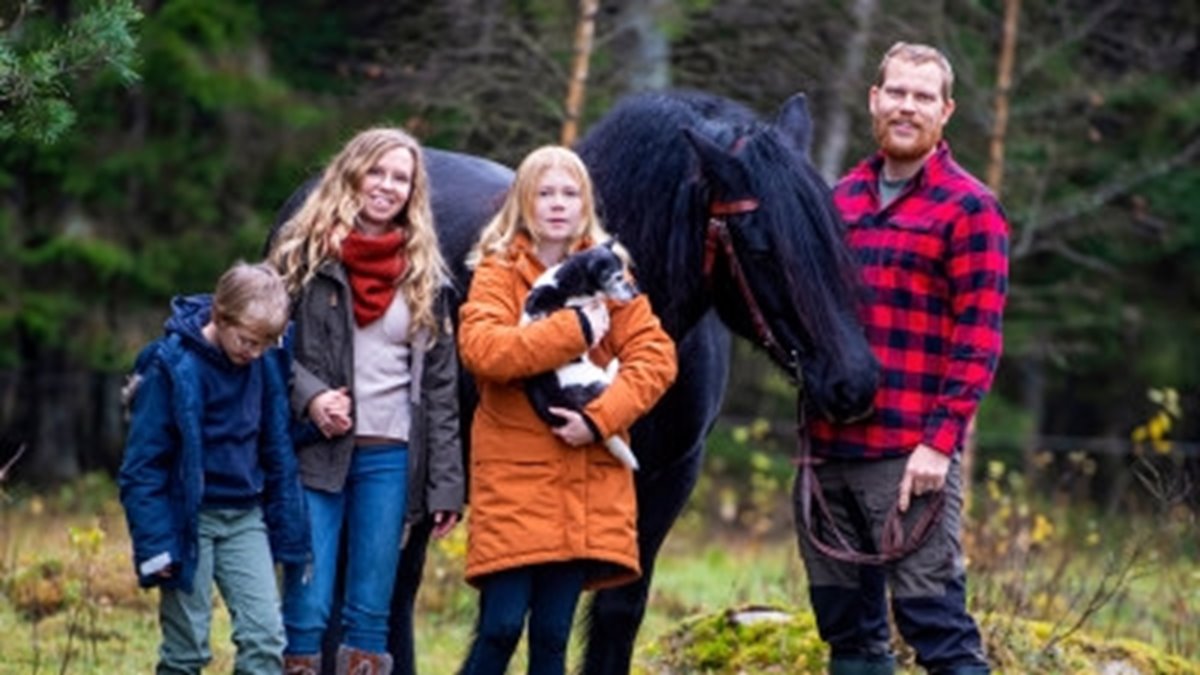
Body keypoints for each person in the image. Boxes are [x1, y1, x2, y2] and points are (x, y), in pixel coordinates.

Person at [795, 42, 1008, 675]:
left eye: (923, 97)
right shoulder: (839, 201)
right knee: (848, 634)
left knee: (936, 627)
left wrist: (939, 446)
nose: (907, 107)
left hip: (908, 460)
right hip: (826, 453)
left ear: (946, 111)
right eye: (897, 93)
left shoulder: (971, 209)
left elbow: (979, 339)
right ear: (874, 100)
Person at [455, 145, 676, 675]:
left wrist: (600, 419)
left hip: (586, 480)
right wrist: (572, 330)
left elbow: (657, 356)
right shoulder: (499, 271)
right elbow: (484, 351)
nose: (557, 204)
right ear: (523, 204)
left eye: (569, 193)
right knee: (501, 627)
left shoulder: (608, 273)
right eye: (544, 193)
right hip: (516, 480)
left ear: (586, 204)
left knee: (553, 636)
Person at [269, 127, 464, 675]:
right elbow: (263, 349)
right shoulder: (301, 255)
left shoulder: (425, 273)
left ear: (413, 191)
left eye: (400, 177)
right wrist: (309, 399)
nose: (386, 186)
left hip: (391, 458)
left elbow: (441, 392)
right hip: (318, 454)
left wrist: (446, 484)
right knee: (306, 606)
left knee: (370, 614)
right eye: (376, 172)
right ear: (351, 173)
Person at [118, 261, 310, 674]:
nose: (253, 353)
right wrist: (156, 544)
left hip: (245, 518)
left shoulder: (265, 364)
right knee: (187, 650)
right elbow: (142, 468)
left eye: (264, 344)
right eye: (246, 341)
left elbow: (275, 440)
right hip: (189, 521)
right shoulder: (172, 367)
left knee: (266, 639)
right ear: (220, 316)